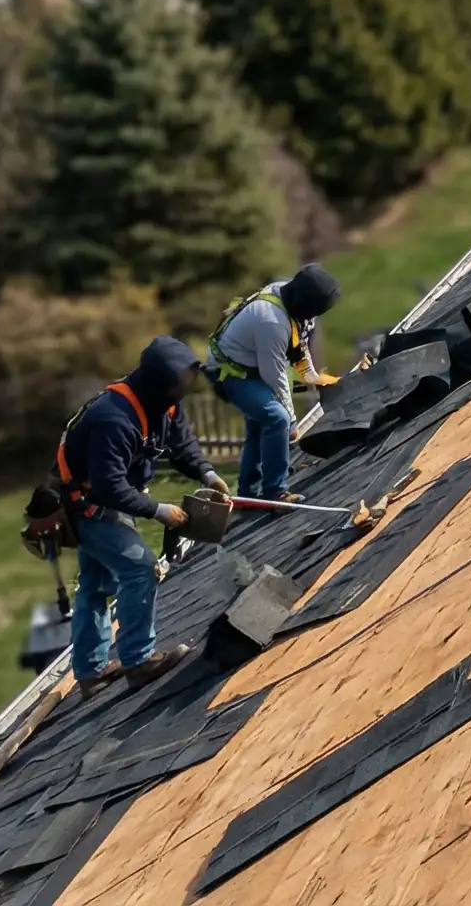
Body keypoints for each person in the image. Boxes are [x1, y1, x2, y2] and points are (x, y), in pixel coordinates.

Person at [55, 337, 227, 691]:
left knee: (94, 585)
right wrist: (158, 510)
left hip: (110, 499)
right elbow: (107, 487)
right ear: (158, 383)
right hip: (87, 506)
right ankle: (139, 660)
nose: (182, 394)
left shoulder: (164, 404)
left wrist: (206, 472)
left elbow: (182, 445)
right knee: (140, 570)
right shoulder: (113, 419)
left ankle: (90, 671)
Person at [206, 263, 339, 501]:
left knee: (260, 426)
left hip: (255, 364)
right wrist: (293, 422)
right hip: (232, 373)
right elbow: (275, 375)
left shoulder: (295, 302)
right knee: (278, 419)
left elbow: (300, 344)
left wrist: (311, 376)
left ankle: (248, 493)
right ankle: (275, 491)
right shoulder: (271, 321)